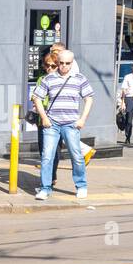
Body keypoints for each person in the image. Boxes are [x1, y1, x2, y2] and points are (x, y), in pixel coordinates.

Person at [32, 47, 94, 201]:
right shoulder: (49, 79)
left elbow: (89, 98)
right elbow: (37, 97)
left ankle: (81, 186)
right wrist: (44, 117)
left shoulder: (80, 78)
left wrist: (82, 119)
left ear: (72, 63)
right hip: (52, 124)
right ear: (57, 62)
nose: (64, 66)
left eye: (67, 63)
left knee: (77, 156)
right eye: (61, 63)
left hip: (71, 124)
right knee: (47, 156)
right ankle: (45, 188)